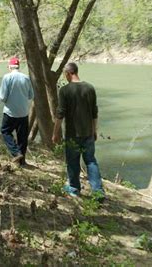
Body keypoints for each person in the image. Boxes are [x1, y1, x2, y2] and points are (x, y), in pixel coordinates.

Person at [52, 62, 105, 200]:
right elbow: (94, 112)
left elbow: (60, 113)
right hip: (88, 132)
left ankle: (75, 189)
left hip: (72, 134)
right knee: (91, 161)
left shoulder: (64, 90)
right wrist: (94, 130)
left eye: (65, 74)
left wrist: (55, 133)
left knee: (73, 162)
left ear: (68, 73)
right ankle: (98, 193)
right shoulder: (90, 88)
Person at [0, 57, 34, 166]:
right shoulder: (26, 78)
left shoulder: (7, 77)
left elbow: (2, 97)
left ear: (10, 66)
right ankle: (22, 163)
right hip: (23, 113)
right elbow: (31, 96)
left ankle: (16, 153)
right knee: (22, 138)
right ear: (18, 67)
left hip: (10, 112)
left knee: (5, 131)